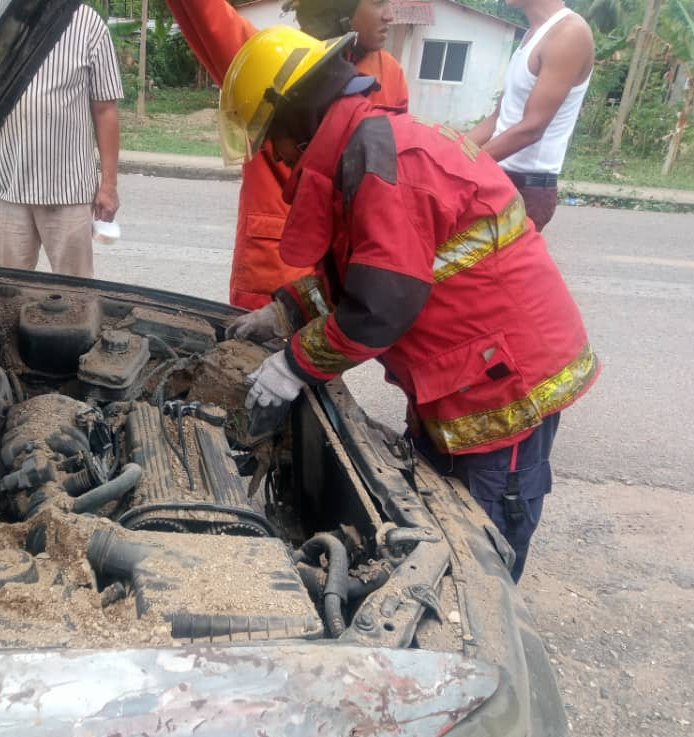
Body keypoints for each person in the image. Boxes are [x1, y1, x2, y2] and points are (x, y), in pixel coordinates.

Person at [222, 27, 600, 582]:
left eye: (270, 137)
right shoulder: (366, 148)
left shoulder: (384, 163)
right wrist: (285, 310)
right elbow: (361, 271)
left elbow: (378, 307)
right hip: (463, 369)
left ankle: (478, 651)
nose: (273, 154)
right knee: (437, 515)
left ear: (297, 116)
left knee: (480, 547)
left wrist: (293, 365)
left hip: (506, 384)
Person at [165, 0, 408, 308]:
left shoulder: (391, 75)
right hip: (274, 268)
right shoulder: (268, 65)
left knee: (329, 349)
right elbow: (203, 12)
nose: (390, 15)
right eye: (377, 3)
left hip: (346, 268)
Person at [0, 2, 123, 277]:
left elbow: (105, 110)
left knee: (74, 298)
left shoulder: (86, 22)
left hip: (69, 191)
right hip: (6, 186)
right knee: (10, 294)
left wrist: (109, 185)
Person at [466, 0, 593, 232]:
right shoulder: (532, 35)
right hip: (499, 176)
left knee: (486, 267)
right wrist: (446, 152)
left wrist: (463, 167)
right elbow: (497, 118)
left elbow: (532, 128)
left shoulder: (569, 33)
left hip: (525, 188)